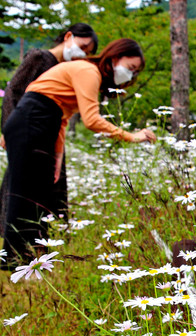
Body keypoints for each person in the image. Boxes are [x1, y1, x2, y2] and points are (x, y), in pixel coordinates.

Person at [0, 38, 156, 268]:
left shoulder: (86, 73)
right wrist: (131, 136)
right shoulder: (88, 71)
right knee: (26, 194)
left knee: (40, 194)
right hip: (31, 120)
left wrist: (57, 157)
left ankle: (33, 260)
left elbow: (61, 117)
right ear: (114, 58)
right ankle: (15, 261)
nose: (130, 76)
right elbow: (91, 119)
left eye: (134, 73)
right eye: (130, 68)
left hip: (42, 122)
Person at [0, 23, 99, 247]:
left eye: (88, 53)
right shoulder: (39, 58)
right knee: (22, 188)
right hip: (27, 130)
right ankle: (19, 244)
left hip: (50, 134)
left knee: (52, 187)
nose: (83, 55)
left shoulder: (67, 68)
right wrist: (8, 129)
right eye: (82, 47)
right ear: (68, 37)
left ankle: (48, 241)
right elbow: (14, 91)